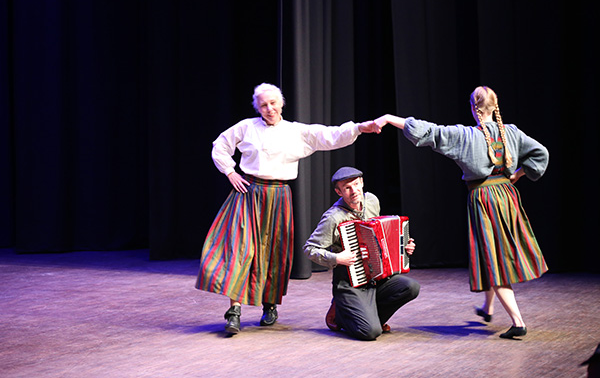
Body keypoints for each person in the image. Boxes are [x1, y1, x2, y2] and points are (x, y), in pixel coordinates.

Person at [196, 83, 382, 335]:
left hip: (279, 194)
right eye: (263, 105)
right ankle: (234, 311)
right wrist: (230, 172)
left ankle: (270, 305)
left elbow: (330, 135)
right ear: (257, 107)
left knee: (275, 251)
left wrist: (360, 127)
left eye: (273, 103)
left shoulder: (295, 131)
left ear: (281, 103)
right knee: (240, 249)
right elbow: (220, 145)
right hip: (249, 193)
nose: (269, 108)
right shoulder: (246, 127)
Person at [375, 86, 549, 339]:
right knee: (493, 253)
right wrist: (518, 175)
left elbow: (430, 131)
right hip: (507, 198)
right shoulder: (511, 132)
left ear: (473, 107)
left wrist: (390, 119)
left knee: (493, 260)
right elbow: (540, 153)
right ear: (495, 106)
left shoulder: (466, 136)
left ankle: (518, 321)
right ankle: (488, 308)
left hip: (485, 200)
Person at [303, 166, 420, 341]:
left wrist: (403, 247)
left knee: (411, 287)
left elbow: (380, 238)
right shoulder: (333, 217)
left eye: (356, 185)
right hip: (350, 282)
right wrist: (337, 258)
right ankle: (342, 314)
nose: (354, 191)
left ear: (362, 182)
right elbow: (310, 249)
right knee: (370, 333)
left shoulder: (372, 201)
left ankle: (368, 316)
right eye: (347, 188)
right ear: (338, 192)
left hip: (376, 278)